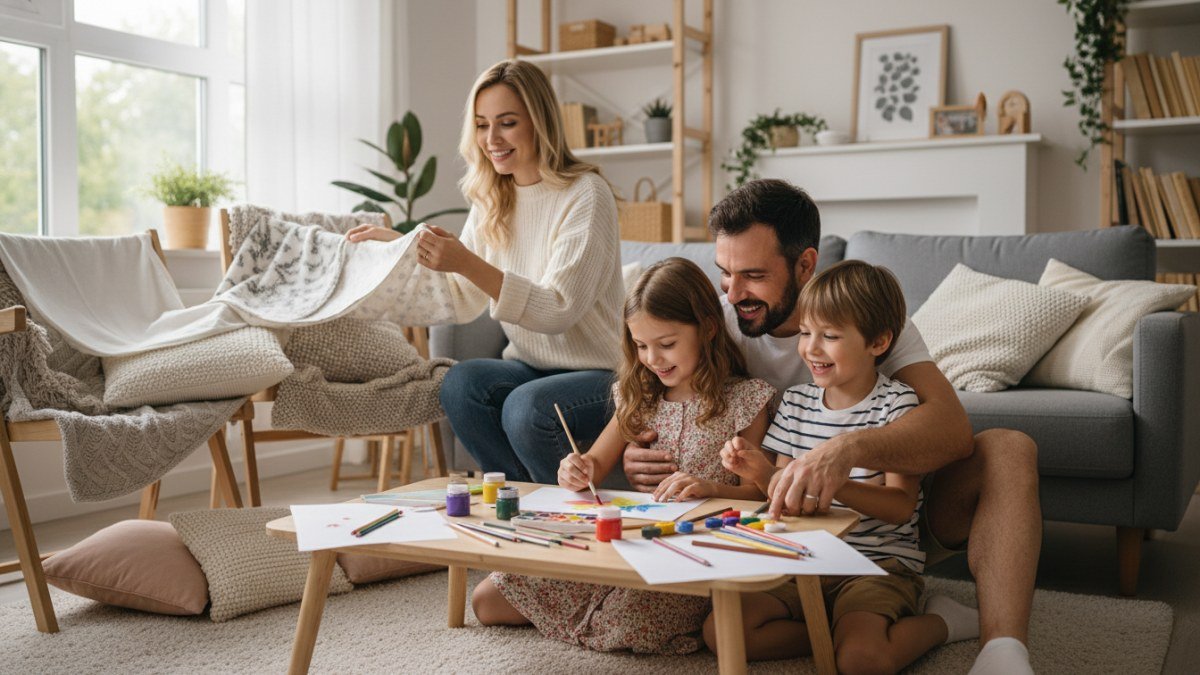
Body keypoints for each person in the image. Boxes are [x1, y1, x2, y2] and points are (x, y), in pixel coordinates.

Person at [621, 180, 1039, 674]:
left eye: (753, 275)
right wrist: (640, 449)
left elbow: (951, 431)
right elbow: (667, 395)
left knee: (1009, 447)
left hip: (890, 520)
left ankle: (1003, 649)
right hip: (796, 527)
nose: (733, 294)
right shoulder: (719, 321)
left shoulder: (863, 312)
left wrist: (844, 451)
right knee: (737, 630)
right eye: (724, 274)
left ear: (804, 264)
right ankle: (839, 628)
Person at [471, 257, 776, 654]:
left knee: (626, 623)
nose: (653, 358)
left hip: (692, 549)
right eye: (641, 345)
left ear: (708, 328)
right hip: (627, 542)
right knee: (486, 599)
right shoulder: (639, 397)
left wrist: (709, 488)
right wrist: (575, 469)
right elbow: (595, 463)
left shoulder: (746, 399)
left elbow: (759, 496)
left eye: (666, 344)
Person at [347, 59, 623, 484]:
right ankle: (526, 500)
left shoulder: (586, 194)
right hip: (530, 364)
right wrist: (401, 245)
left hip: (599, 373)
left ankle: (555, 509)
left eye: (507, 123)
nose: (491, 139)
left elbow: (557, 310)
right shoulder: (493, 197)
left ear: (540, 123)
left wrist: (466, 260)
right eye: (481, 125)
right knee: (460, 383)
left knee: (526, 407)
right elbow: (461, 295)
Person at [718, 260, 979, 669]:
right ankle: (834, 629)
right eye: (806, 333)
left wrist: (833, 480)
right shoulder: (795, 402)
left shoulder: (898, 406)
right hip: (803, 557)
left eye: (831, 336)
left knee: (861, 662)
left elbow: (899, 507)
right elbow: (783, 496)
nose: (811, 348)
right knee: (723, 631)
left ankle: (942, 622)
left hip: (875, 562)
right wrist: (760, 473)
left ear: (878, 342)